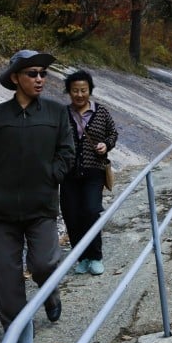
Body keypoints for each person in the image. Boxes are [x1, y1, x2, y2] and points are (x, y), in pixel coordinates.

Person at [0, 49, 75, 334]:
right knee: (6, 276)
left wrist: (50, 177)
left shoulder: (57, 113)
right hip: (3, 208)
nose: (40, 79)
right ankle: (17, 332)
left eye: (43, 73)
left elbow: (67, 153)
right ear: (15, 78)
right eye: (32, 73)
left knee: (44, 264)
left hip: (41, 204)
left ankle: (50, 292)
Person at [61, 70, 118, 276]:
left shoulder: (100, 112)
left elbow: (113, 133)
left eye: (83, 90)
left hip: (94, 171)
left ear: (90, 90)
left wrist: (106, 144)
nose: (79, 94)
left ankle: (95, 256)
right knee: (71, 215)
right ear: (69, 91)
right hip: (68, 173)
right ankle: (82, 257)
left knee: (91, 211)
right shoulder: (62, 113)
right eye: (75, 90)